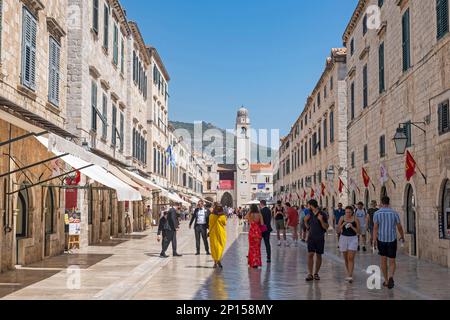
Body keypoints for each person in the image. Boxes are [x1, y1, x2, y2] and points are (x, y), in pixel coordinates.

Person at [373, 196, 405, 289]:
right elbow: (399, 226)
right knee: (392, 260)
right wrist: (402, 236)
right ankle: (391, 276)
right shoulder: (394, 213)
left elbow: (375, 228)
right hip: (392, 239)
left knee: (383, 260)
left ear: (381, 203)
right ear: (389, 202)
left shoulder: (377, 213)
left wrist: (374, 240)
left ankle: (386, 280)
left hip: (381, 240)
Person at [304, 199, 329, 281]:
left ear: (311, 205)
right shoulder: (309, 214)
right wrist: (305, 222)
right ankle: (310, 274)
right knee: (310, 254)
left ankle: (316, 273)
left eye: (308, 205)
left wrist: (321, 220)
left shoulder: (322, 214)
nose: (308, 207)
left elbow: (326, 227)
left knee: (318, 255)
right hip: (311, 237)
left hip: (320, 237)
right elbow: (307, 226)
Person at [338, 206, 360, 283]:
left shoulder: (355, 219)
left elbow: (358, 231)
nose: (347, 214)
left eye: (349, 212)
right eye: (346, 212)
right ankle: (348, 272)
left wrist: (352, 227)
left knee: (350, 258)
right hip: (343, 238)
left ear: (352, 212)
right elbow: (337, 230)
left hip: (353, 238)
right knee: (346, 258)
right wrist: (342, 225)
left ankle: (350, 275)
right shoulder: (342, 218)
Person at [246, 204, 263, 269]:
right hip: (258, 232)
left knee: (251, 248)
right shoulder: (260, 214)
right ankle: (257, 262)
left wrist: (249, 211)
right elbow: (262, 224)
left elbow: (245, 217)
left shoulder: (250, 215)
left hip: (252, 232)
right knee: (257, 248)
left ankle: (252, 262)